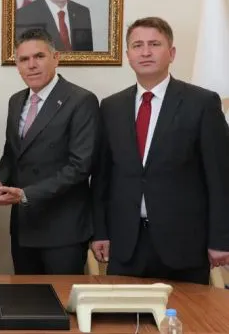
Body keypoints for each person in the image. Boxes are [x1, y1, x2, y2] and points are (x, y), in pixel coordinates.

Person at [91, 16, 229, 285]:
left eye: (154, 44)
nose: (145, 52)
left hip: (184, 244)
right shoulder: (111, 107)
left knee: (187, 312)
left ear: (171, 53)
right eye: (137, 45)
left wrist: (221, 239)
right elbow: (102, 178)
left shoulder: (202, 103)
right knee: (126, 312)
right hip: (126, 243)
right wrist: (100, 232)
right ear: (128, 55)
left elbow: (220, 177)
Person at [0, 29, 99, 275]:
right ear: (17, 66)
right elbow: (12, 154)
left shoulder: (81, 100)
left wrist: (27, 194)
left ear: (56, 58)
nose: (32, 65)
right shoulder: (16, 101)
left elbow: (80, 166)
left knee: (61, 297)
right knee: (27, 297)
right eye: (24, 59)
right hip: (24, 226)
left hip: (63, 228)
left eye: (39, 56)